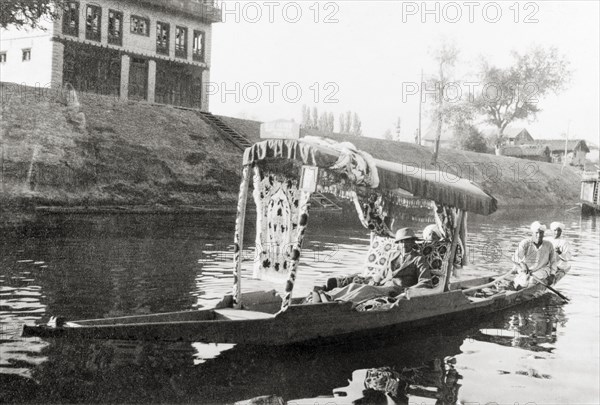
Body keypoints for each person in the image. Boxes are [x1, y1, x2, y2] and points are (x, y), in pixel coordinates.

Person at [513, 221, 557, 288]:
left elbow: (553, 261)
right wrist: (522, 264)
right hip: (527, 270)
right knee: (522, 282)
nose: (539, 235)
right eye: (536, 233)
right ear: (532, 232)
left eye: (541, 233)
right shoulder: (525, 243)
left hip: (542, 270)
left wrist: (552, 275)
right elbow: (516, 257)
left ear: (544, 233)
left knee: (531, 280)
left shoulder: (549, 245)